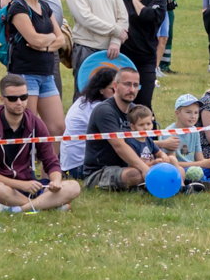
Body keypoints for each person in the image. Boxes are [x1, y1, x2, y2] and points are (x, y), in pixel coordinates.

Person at [0, 75, 78, 212]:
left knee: (74, 186)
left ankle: (21, 208)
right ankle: (44, 204)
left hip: (29, 185)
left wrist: (55, 180)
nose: (19, 102)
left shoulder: (35, 123)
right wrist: (22, 185)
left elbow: (50, 160)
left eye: (24, 97)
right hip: (0, 186)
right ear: (2, 99)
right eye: (13, 98)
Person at [81, 66, 190, 194]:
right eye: (127, 84)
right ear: (115, 86)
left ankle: (179, 187)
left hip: (132, 165)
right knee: (135, 175)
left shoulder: (136, 110)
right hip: (102, 171)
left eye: (136, 85)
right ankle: (147, 185)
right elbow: (119, 146)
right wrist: (146, 169)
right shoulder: (105, 111)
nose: (132, 89)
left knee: (179, 171)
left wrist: (160, 159)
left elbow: (145, 142)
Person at [64, 0, 130, 96]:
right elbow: (87, 19)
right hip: (87, 49)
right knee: (86, 95)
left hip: (111, 51)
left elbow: (123, 17)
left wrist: (115, 41)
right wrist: (116, 31)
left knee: (112, 95)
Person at [3, 0, 65, 100]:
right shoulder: (18, 7)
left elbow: (61, 39)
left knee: (57, 123)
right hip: (25, 72)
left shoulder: (45, 6)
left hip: (47, 73)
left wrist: (45, 48)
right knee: (28, 120)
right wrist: (50, 37)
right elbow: (34, 40)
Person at [121, 0, 170, 116]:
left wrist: (136, 0)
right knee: (123, 104)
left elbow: (151, 17)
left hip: (146, 59)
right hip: (123, 58)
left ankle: (151, 139)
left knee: (143, 105)